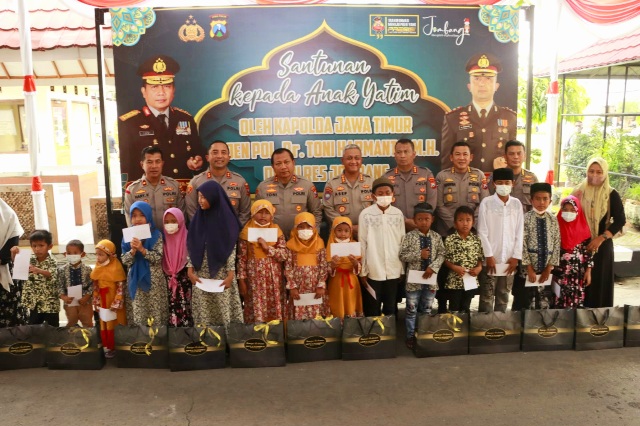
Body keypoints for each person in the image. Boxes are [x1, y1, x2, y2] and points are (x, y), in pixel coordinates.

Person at [118, 54, 204, 182]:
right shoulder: (129, 123)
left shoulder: (186, 119)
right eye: (154, 87)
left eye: (167, 86)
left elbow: (198, 152)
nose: (161, 93)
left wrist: (197, 162)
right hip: (148, 190)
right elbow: (126, 166)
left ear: (173, 90)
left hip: (182, 190)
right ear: (143, 91)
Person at [441, 53, 516, 173]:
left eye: (488, 79)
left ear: (496, 86)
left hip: (497, 181)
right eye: (476, 79)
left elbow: (514, 158)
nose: (482, 84)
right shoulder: (453, 118)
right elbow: (447, 161)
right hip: (464, 182)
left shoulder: (510, 118)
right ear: (469, 86)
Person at [187, 180, 243, 327]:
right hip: (201, 274)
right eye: (199, 197)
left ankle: (227, 340)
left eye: (204, 197)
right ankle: (206, 339)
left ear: (214, 197)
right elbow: (191, 245)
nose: (200, 201)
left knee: (223, 309)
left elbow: (230, 249)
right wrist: (190, 270)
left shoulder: (227, 221)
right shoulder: (198, 220)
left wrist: (230, 274)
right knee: (203, 311)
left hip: (222, 273)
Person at [572, 157, 626, 308]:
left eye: (599, 172)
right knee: (579, 283)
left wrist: (601, 238)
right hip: (580, 245)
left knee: (599, 283)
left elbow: (620, 220)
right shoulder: (578, 191)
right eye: (591, 171)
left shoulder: (611, 194)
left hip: (602, 246)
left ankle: (599, 319)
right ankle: (578, 319)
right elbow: (568, 214)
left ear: (605, 173)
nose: (594, 175)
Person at [494, 140, 538, 310]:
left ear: (524, 155)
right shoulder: (497, 177)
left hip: (525, 238)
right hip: (503, 236)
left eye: (519, 153)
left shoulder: (532, 178)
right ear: (505, 156)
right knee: (501, 281)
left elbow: (537, 207)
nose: (515, 157)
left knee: (523, 281)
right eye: (511, 153)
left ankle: (518, 313)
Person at [477, 168, 523, 313]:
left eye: (507, 182)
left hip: (509, 261)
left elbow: (519, 232)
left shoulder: (516, 204)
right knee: (486, 297)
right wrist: (488, 255)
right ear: (494, 184)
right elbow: (482, 231)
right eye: (500, 182)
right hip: (490, 260)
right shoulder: (486, 203)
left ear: (513, 183)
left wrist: (516, 257)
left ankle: (500, 325)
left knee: (503, 296)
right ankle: (485, 325)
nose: (504, 185)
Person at [399, 203, 444, 349]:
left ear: (432, 219)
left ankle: (424, 335)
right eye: (420, 219)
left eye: (427, 219)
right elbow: (402, 255)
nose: (423, 222)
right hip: (413, 282)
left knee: (427, 310)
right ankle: (410, 336)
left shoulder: (436, 237)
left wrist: (433, 267)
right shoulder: (409, 236)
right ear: (414, 220)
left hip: (431, 282)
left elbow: (442, 254)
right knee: (411, 310)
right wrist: (419, 254)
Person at [358, 177, 405, 316]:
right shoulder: (366, 215)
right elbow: (362, 243)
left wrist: (402, 268)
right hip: (373, 268)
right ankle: (374, 329)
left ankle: (390, 329)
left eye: (387, 193)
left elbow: (402, 242)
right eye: (380, 193)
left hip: (394, 268)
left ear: (393, 194)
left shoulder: (398, 214)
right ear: (373, 196)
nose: (384, 196)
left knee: (391, 307)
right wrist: (363, 271)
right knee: (372, 307)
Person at [237, 200, 288, 323]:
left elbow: (284, 255)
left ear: (272, 215)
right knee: (256, 307)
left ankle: (275, 332)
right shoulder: (246, 232)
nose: (263, 216)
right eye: (259, 212)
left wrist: (267, 248)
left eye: (267, 213)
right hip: (254, 280)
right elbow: (242, 259)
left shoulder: (276, 230)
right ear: (253, 213)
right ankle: (258, 333)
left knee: (274, 307)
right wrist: (242, 280)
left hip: (274, 279)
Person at [255, 148, 322, 239]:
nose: (283, 167)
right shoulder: (263, 187)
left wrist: (313, 235)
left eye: (286, 162)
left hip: (301, 240)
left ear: (293, 163)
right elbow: (256, 216)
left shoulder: (307, 185)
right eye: (278, 164)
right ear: (273, 166)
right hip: (273, 240)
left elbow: (317, 212)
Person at [121, 201, 168, 325]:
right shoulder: (128, 236)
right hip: (135, 281)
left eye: (142, 215)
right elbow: (125, 261)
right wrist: (132, 251)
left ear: (148, 216)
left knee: (155, 313)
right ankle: (141, 336)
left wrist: (142, 250)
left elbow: (158, 258)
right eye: (134, 216)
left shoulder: (156, 234)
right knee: (139, 314)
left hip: (154, 281)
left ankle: (157, 337)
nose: (137, 219)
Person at [186, 140, 251, 226]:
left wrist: (234, 230)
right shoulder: (196, 182)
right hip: (205, 233)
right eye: (215, 152)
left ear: (229, 157)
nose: (219, 156)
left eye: (223, 152)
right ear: (207, 158)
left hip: (234, 233)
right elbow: (192, 213)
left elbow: (245, 213)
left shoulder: (240, 182)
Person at [124, 146, 185, 232]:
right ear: (142, 164)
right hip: (146, 238)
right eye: (149, 162)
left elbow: (182, 216)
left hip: (171, 236)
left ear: (162, 163)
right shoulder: (132, 190)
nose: (154, 166)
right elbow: (130, 220)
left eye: (157, 162)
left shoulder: (174, 186)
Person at [434, 141, 489, 236]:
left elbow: (484, 203)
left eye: (465, 154)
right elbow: (439, 205)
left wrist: (470, 224)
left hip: (473, 231)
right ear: (451, 157)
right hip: (448, 231)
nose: (461, 158)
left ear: (471, 157)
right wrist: (454, 225)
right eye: (458, 154)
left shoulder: (479, 175)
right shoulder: (442, 176)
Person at [521, 183, 560, 310]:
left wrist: (549, 268)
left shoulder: (553, 219)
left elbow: (556, 243)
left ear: (550, 201)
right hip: (528, 269)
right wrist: (529, 268)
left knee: (545, 301)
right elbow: (522, 243)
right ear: (531, 200)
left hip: (546, 269)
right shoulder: (525, 218)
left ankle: (543, 322)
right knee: (528, 302)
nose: (541, 202)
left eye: (545, 199)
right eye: (538, 198)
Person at [384, 138, 437, 231]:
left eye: (406, 152)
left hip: (421, 227)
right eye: (399, 152)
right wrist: (404, 220)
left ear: (414, 154)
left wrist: (419, 220)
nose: (402, 156)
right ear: (395, 155)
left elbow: (432, 200)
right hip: (395, 227)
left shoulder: (426, 174)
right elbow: (384, 204)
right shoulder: (386, 177)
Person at [323, 144, 374, 239]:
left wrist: (362, 227)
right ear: (342, 161)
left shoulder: (371, 182)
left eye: (357, 158)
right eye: (349, 158)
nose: (353, 161)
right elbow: (328, 208)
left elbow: (377, 208)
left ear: (361, 160)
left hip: (367, 233)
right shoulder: (332, 184)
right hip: (341, 235)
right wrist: (346, 227)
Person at [285, 213, 329, 320]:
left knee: (317, 318)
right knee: (299, 320)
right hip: (298, 290)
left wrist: (321, 285)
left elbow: (323, 266)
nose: (305, 230)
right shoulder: (291, 246)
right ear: (295, 228)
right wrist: (292, 287)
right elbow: (288, 268)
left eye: (308, 227)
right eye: (301, 227)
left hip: (316, 289)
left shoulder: (319, 244)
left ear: (314, 228)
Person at [553, 196, 593, 309]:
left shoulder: (584, 229)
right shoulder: (555, 227)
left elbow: (588, 253)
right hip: (558, 272)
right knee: (557, 300)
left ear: (577, 211)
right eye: (565, 209)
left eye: (572, 210)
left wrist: (588, 271)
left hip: (577, 274)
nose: (568, 213)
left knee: (575, 304)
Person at [442, 206, 484, 312]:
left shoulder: (476, 240)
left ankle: (465, 322)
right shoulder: (450, 239)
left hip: (470, 279)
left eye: (468, 220)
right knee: (454, 307)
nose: (465, 223)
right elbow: (445, 259)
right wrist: (454, 267)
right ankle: (454, 322)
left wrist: (479, 268)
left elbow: (480, 258)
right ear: (455, 223)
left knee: (466, 307)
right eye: (461, 220)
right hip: (455, 281)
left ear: (473, 222)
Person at [91, 240, 127, 358]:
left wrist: (116, 302)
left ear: (109, 254)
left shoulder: (116, 267)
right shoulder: (97, 267)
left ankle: (118, 347)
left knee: (115, 322)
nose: (98, 257)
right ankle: (108, 346)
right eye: (96, 254)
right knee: (105, 323)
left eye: (101, 255)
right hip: (103, 301)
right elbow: (96, 286)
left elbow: (120, 287)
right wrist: (96, 301)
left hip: (112, 301)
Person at [326, 217, 363, 319]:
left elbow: (359, 268)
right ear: (333, 231)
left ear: (350, 232)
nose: (343, 234)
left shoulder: (354, 245)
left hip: (351, 281)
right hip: (336, 282)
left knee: (351, 302)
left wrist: (355, 263)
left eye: (346, 231)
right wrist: (332, 266)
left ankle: (351, 325)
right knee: (337, 303)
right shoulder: (330, 246)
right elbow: (326, 269)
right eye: (339, 230)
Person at [22, 230, 59, 327]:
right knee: (33, 327)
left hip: (50, 302)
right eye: (34, 246)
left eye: (41, 245)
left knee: (53, 328)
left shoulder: (53, 261)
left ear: (50, 246)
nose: (37, 249)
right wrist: (14, 254)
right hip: (35, 302)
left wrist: (38, 270)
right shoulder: (29, 259)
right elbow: (18, 266)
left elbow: (51, 274)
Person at [162, 208, 192, 327]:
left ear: (180, 221)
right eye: (166, 222)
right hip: (167, 283)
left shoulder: (188, 238)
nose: (170, 224)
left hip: (185, 282)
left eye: (174, 221)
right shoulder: (162, 240)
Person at [0, 199, 27, 327]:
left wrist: (1, 259)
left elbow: (12, 244)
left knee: (10, 309)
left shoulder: (8, 215)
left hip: (5, 267)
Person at [58, 239, 93, 327]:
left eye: (75, 253)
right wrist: (63, 297)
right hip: (70, 301)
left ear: (83, 254)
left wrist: (87, 297)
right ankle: (72, 336)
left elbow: (92, 284)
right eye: (69, 253)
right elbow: (59, 285)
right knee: (71, 322)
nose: (72, 255)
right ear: (65, 254)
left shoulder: (88, 269)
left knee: (87, 322)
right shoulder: (62, 270)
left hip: (85, 302)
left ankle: (89, 336)